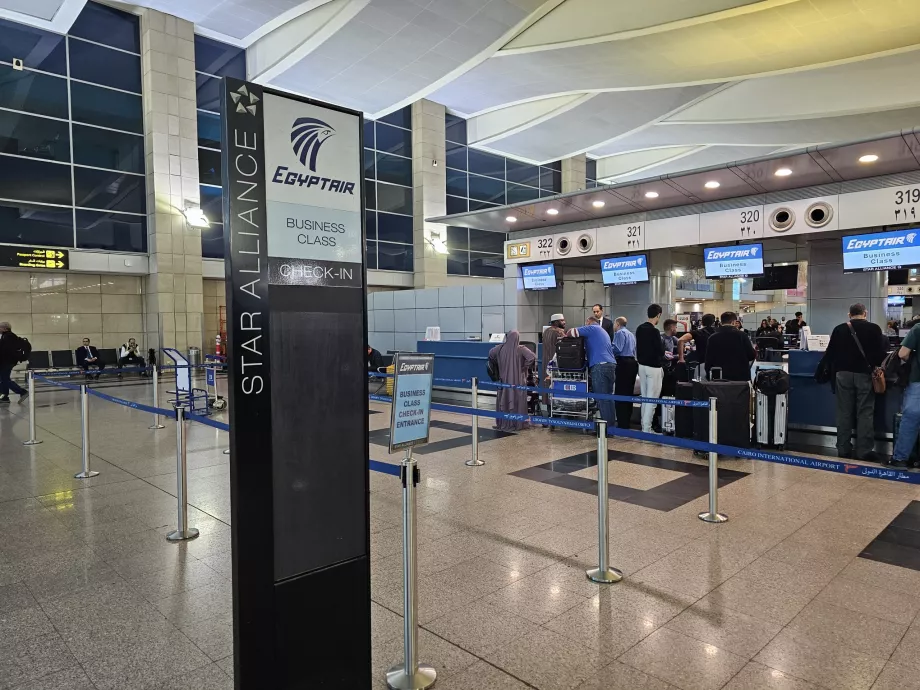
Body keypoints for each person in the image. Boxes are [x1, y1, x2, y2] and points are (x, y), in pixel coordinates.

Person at [820, 303, 886, 461]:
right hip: (864, 374)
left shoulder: (839, 329)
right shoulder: (875, 329)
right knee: (865, 412)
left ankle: (843, 448)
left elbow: (830, 354)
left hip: (842, 374)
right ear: (865, 313)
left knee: (843, 412)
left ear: (849, 315)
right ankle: (864, 450)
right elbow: (880, 354)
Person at [569, 316, 617, 427]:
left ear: (588, 322)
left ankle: (606, 430)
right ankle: (611, 426)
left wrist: (565, 334)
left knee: (601, 398)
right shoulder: (602, 331)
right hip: (611, 365)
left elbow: (572, 332)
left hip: (599, 366)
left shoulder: (592, 328)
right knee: (608, 398)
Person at [488, 330, 535, 431]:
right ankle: (518, 423)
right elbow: (531, 357)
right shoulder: (521, 349)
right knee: (518, 401)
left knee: (503, 400)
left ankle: (503, 423)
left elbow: (490, 354)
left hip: (503, 381)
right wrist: (524, 367)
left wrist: (498, 362)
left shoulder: (499, 348)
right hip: (518, 381)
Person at [891, 319, 920, 467]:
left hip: (918, 380)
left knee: (910, 420)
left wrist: (914, 360)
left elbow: (902, 353)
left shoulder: (918, 328)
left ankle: (900, 459)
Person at [636, 304, 665, 433]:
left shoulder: (639, 329)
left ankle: (644, 426)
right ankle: (647, 429)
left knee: (644, 398)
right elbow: (659, 350)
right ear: (658, 315)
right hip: (654, 368)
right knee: (652, 399)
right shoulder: (654, 331)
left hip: (641, 366)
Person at [705, 311, 756, 381]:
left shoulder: (712, 337)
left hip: (719, 377)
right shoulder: (742, 335)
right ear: (733, 322)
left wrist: (708, 375)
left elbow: (708, 359)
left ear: (721, 322)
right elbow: (751, 355)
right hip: (740, 376)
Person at [612, 316, 637, 429]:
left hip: (623, 363)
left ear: (617, 324)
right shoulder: (631, 334)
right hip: (632, 363)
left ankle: (622, 423)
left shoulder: (620, 333)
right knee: (628, 393)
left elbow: (617, 349)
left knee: (620, 392)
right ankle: (627, 420)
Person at [677, 313, 716, 378]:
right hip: (715, 362)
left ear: (702, 322)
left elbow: (680, 340)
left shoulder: (697, 332)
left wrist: (681, 358)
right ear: (714, 322)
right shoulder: (718, 332)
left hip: (699, 362)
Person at [541, 314, 566, 408]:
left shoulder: (546, 331)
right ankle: (557, 412)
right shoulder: (559, 332)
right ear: (556, 322)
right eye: (562, 320)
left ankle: (549, 410)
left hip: (545, 363)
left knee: (547, 385)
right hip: (556, 364)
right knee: (556, 385)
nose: (564, 322)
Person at [0, 321, 28, 405]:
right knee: (3, 380)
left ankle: (22, 392)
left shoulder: (9, 337)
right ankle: (4, 397)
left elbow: (6, 351)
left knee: (5, 379)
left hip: (6, 362)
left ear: (5, 328)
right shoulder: (6, 336)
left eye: (0, 327)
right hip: (6, 361)